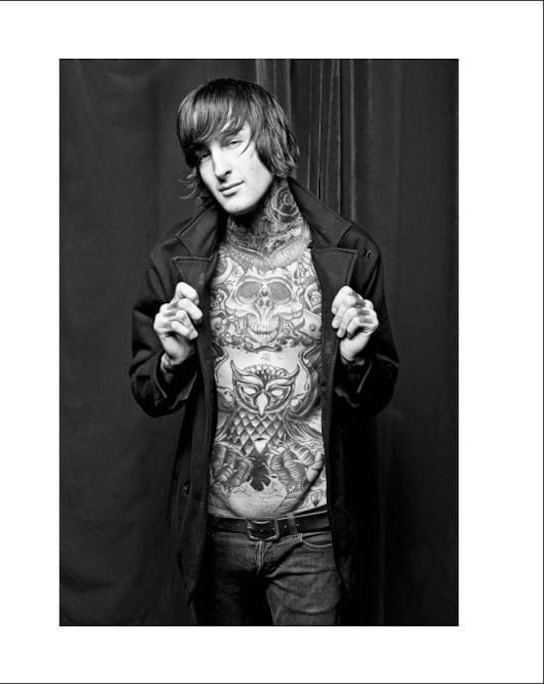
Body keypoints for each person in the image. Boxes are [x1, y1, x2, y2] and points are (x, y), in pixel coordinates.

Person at [129, 78, 398, 625]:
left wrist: (355, 359)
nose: (219, 168)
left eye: (233, 142)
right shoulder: (175, 261)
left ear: (271, 139)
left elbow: (376, 394)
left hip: (313, 534)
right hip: (214, 535)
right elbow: (148, 393)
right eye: (203, 154)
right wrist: (173, 360)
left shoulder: (348, 253)